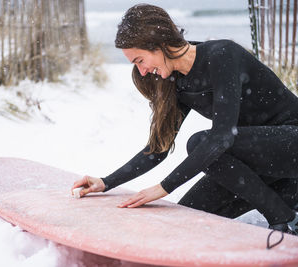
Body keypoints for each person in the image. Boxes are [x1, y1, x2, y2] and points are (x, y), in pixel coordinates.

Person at [71, 4, 298, 235]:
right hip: (261, 166)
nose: (142, 71)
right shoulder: (178, 82)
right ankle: (284, 200)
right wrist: (107, 182)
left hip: (291, 145)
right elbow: (158, 149)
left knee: (200, 143)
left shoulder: (222, 55)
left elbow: (222, 137)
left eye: (139, 60)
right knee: (187, 217)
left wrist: (164, 187)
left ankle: (284, 219)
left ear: (158, 44)